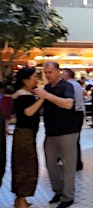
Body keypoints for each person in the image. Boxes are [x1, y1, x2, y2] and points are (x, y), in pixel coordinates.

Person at [34, 62, 78, 208]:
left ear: (58, 71)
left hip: (67, 132)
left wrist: (47, 96)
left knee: (68, 166)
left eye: (50, 72)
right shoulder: (47, 87)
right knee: (50, 165)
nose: (47, 75)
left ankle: (68, 197)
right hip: (50, 132)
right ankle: (58, 191)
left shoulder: (67, 86)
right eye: (45, 72)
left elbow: (68, 104)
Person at [11, 67, 45, 208]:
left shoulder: (24, 93)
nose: (36, 79)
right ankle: (20, 200)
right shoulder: (24, 94)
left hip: (26, 134)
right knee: (26, 167)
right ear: (25, 80)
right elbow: (28, 112)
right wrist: (42, 98)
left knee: (24, 165)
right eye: (33, 77)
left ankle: (21, 198)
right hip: (24, 135)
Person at [61, 69, 86, 171]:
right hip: (79, 113)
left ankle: (74, 163)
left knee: (71, 139)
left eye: (62, 74)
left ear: (67, 75)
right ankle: (77, 163)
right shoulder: (77, 84)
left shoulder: (69, 85)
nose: (61, 75)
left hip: (73, 114)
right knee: (76, 139)